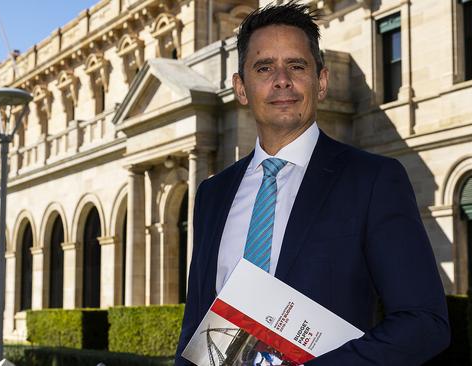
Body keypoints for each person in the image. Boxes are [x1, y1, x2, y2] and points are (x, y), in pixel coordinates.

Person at [175, 2, 450, 365]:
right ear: (241, 88)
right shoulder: (212, 195)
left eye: (296, 65)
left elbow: (424, 323)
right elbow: (195, 327)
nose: (281, 79)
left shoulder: (372, 181)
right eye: (264, 67)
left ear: (321, 82)